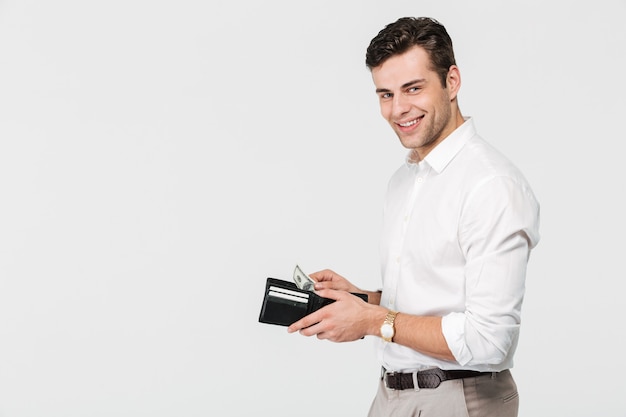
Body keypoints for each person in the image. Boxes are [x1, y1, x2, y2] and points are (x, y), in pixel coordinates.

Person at [287, 16, 541, 417]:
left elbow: (490, 341)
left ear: (452, 82)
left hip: (460, 399)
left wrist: (373, 320)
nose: (398, 109)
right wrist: (362, 301)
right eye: (385, 94)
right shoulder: (404, 181)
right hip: (390, 396)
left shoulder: (491, 185)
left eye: (413, 88)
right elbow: (431, 297)